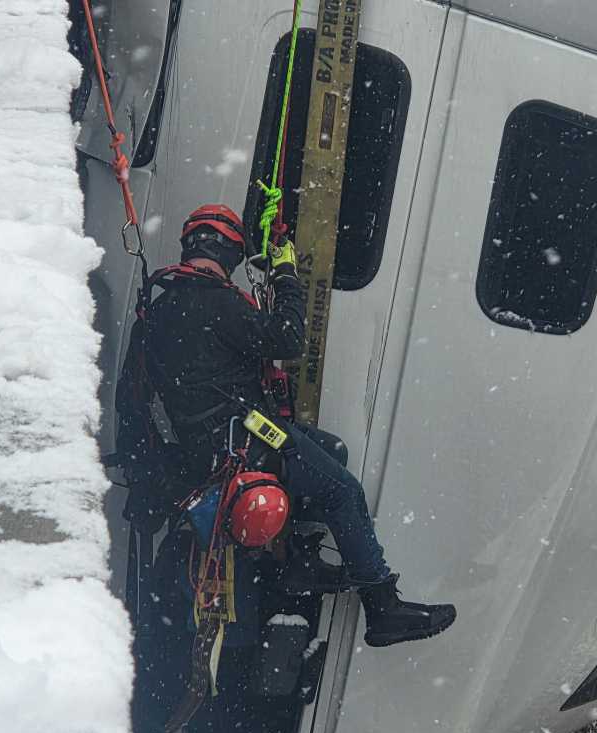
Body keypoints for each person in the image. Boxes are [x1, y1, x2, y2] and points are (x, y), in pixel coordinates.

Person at [116, 203, 456, 647]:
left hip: (205, 448)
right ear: (233, 254)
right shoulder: (220, 303)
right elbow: (288, 338)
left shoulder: (157, 312)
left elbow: (134, 401)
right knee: (344, 491)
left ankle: (298, 561)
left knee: (329, 450)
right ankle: (382, 606)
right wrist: (286, 275)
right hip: (245, 442)